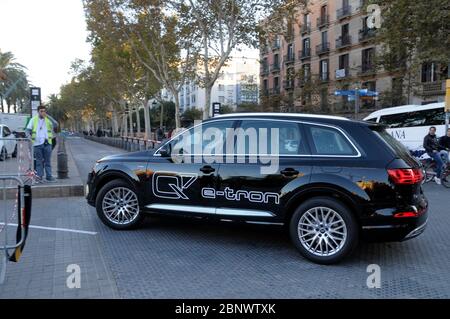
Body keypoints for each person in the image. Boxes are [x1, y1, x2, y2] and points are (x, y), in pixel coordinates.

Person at [25, 104, 58, 183]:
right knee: (39, 162)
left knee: (47, 161)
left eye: (44, 111)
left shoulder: (48, 119)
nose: (43, 112)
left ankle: (49, 177)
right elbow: (27, 130)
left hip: (47, 143)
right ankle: (39, 177)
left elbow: (56, 124)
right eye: (41, 111)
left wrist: (48, 116)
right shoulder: (33, 120)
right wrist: (28, 137)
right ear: (38, 112)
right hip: (37, 144)